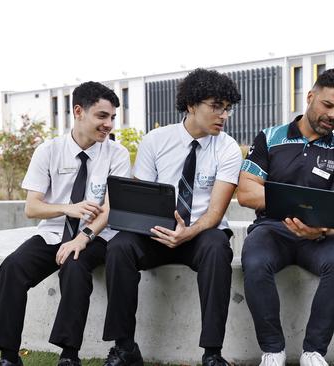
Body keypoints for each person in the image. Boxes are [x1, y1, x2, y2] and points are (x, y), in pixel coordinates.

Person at [101, 68, 242, 366]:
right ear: (191, 105)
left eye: (227, 109)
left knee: (218, 249)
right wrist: (156, 229)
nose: (223, 115)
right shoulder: (156, 140)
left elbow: (216, 212)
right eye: (216, 107)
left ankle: (212, 354)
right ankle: (124, 347)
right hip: (154, 232)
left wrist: (189, 232)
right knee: (118, 247)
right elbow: (140, 199)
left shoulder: (228, 148)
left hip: (202, 233)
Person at [0, 82, 130, 366]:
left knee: (75, 264)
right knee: (12, 268)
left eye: (112, 117)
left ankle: (69, 356)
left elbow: (112, 209)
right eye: (102, 116)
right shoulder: (48, 151)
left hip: (97, 236)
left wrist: (83, 237)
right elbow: (32, 207)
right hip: (53, 233)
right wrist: (69, 208)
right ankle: (8, 356)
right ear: (78, 111)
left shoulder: (117, 154)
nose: (109, 124)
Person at [237, 69, 334, 366]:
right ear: (310, 97)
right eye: (328, 105)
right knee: (253, 261)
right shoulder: (269, 137)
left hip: (320, 237)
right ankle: (273, 350)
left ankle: (313, 352)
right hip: (271, 229)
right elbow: (246, 192)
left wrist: (321, 228)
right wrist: (298, 205)